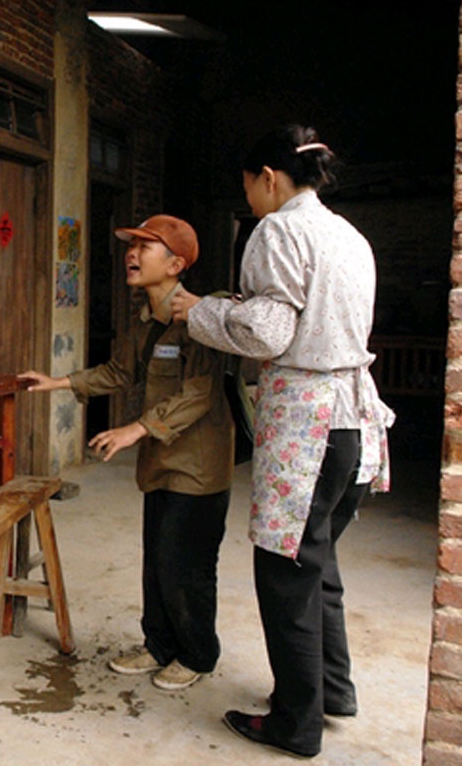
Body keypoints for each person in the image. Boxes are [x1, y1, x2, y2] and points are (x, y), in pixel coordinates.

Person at [171, 125, 395, 758]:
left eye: (248, 186)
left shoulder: (277, 231)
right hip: (353, 420)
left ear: (267, 177)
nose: (248, 199)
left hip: (308, 420)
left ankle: (296, 722)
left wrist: (199, 310)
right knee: (316, 558)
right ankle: (332, 690)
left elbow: (268, 333)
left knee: (285, 569)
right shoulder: (348, 235)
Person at [18, 214, 234, 693]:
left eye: (144, 246)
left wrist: (136, 429)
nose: (131, 254)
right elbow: (120, 372)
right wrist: (58, 382)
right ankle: (158, 644)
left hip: (197, 466)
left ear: (175, 264)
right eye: (131, 245)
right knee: (157, 560)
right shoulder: (146, 320)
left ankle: (197, 654)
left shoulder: (199, 320)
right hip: (161, 462)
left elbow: (199, 393)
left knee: (187, 565)